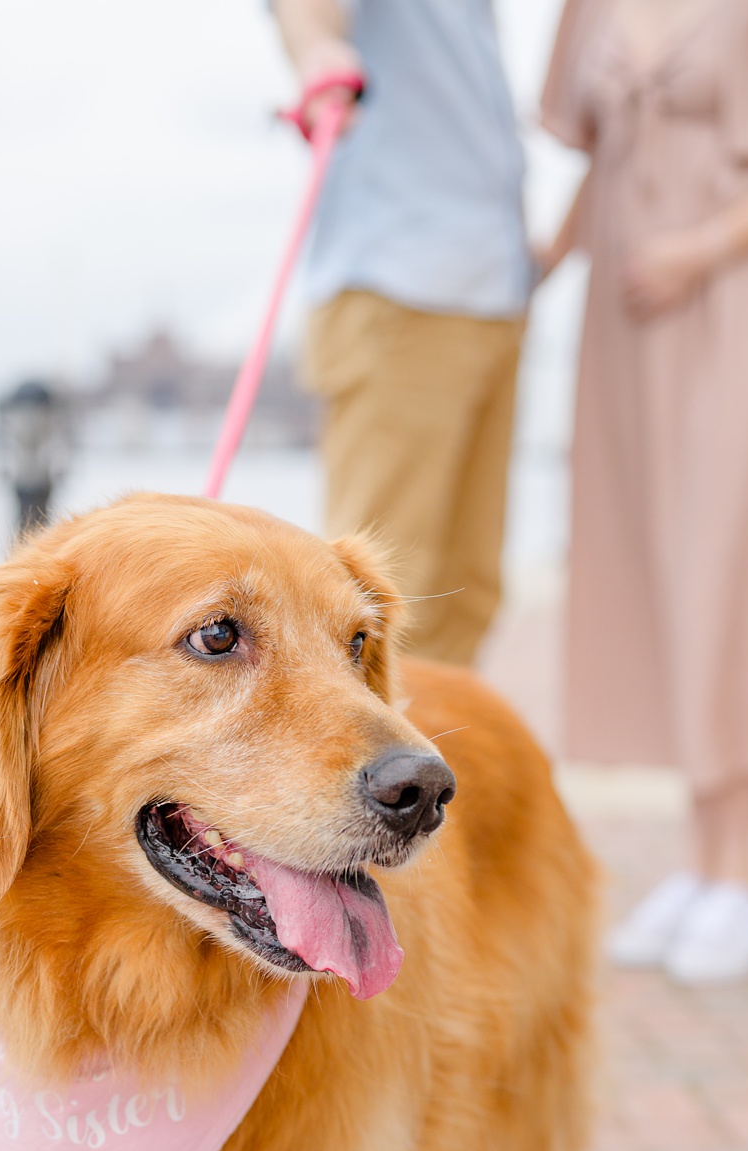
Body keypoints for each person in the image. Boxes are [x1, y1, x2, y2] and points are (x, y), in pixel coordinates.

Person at [543, 0, 748, 984]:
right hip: (626, 325)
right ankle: (697, 859)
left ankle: (738, 872)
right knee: (658, 577)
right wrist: (535, 273)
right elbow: (601, 164)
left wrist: (703, 247)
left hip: (741, 299)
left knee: (732, 568)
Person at [271, 0, 535, 668]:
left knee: (466, 591)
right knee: (374, 599)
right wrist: (318, 51)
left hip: (493, 288)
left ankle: (447, 770)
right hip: (400, 284)